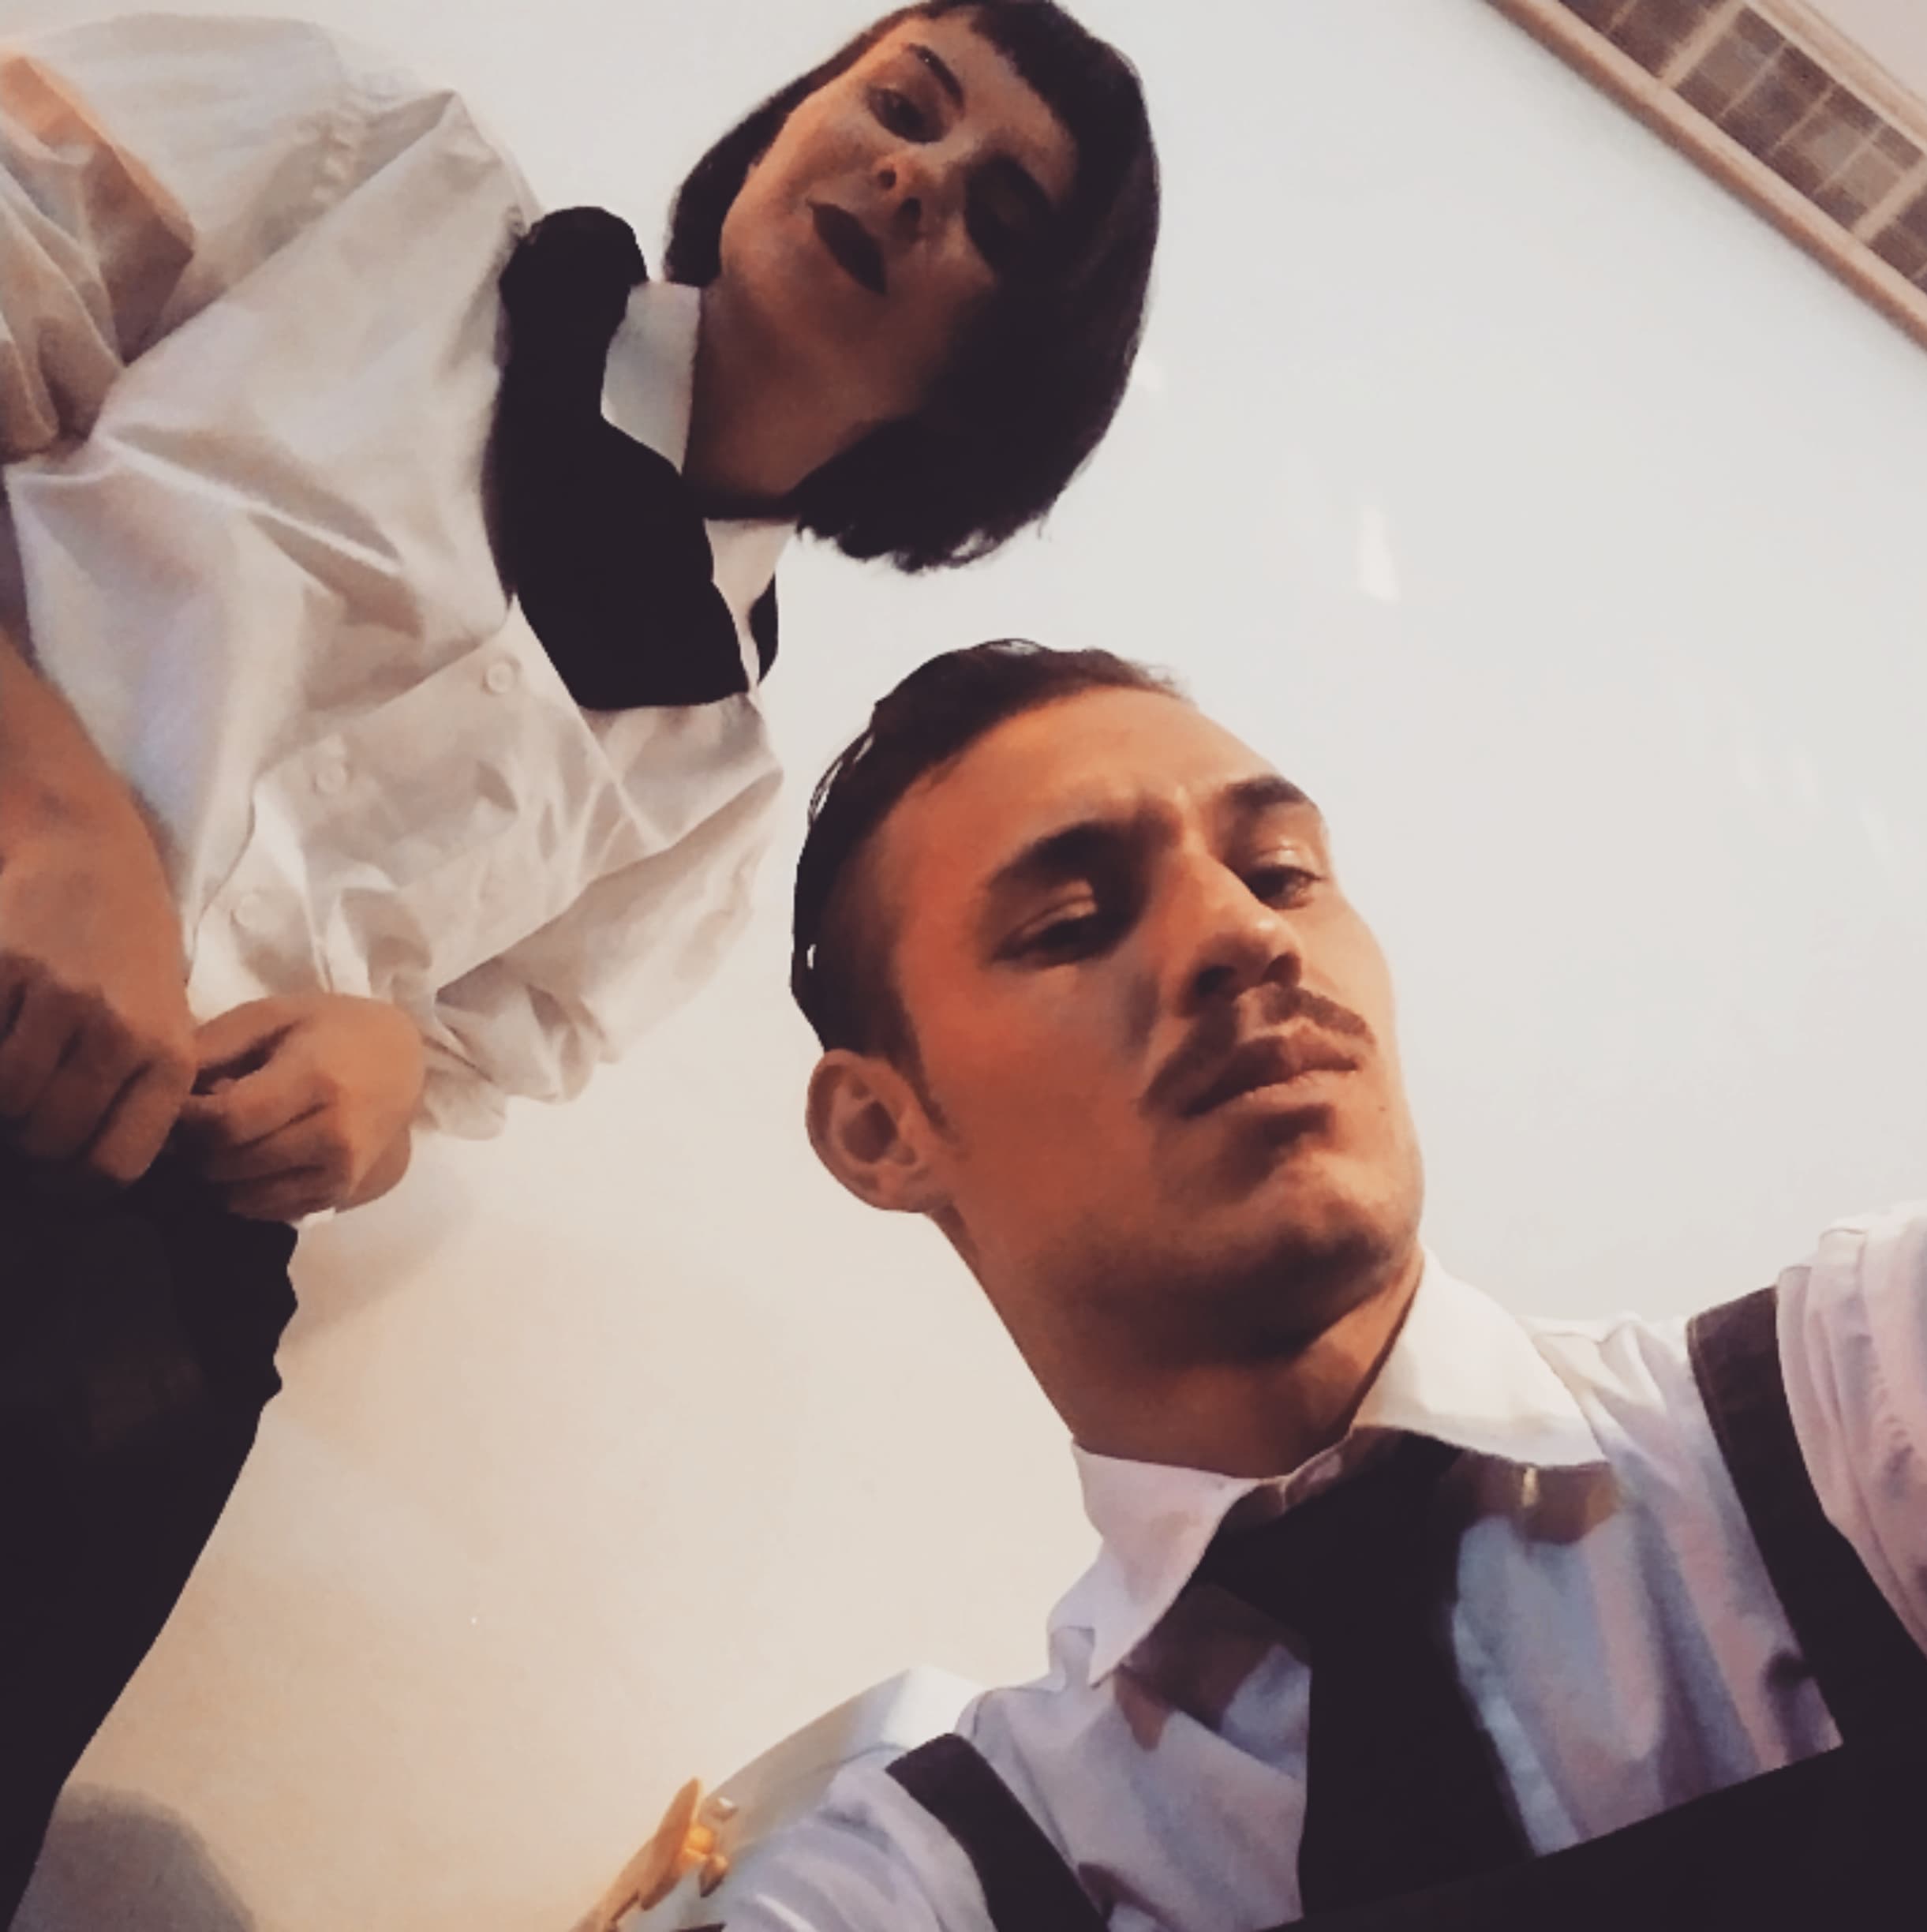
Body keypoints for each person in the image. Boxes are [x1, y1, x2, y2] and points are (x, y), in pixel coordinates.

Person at [0, 8, 1157, 1910]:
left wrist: (379, 1084)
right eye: (904, 104)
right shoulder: (370, 171)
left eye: (999, 217)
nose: (914, 176)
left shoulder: (715, 789)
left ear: (1004, 368)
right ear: (792, 123)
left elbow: (467, 1050)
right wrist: (53, 814)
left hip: (110, 1284)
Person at [685, 639, 1927, 1929]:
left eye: (1280, 872)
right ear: (882, 1131)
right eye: (1072, 925)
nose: (1244, 932)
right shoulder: (936, 1876)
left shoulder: (1860, 1407)